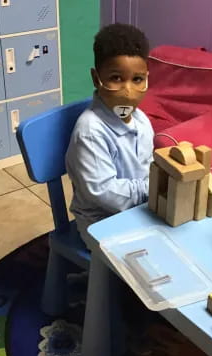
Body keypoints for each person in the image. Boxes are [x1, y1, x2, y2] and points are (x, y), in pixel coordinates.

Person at [65, 23, 153, 248]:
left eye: (137, 79)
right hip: (100, 223)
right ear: (96, 79)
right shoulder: (90, 132)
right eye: (116, 78)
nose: (128, 91)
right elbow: (103, 193)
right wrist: (153, 189)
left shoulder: (142, 121)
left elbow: (147, 167)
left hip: (137, 211)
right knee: (152, 259)